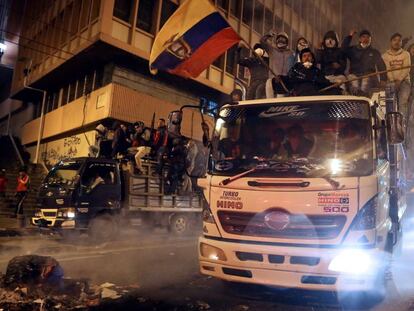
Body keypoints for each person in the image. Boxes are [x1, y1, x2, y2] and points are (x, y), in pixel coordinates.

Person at [342, 29, 387, 95]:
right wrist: (349, 36)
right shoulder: (353, 50)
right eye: (363, 37)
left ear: (370, 39)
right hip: (354, 75)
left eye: (368, 37)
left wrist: (383, 80)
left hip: (369, 75)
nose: (366, 39)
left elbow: (382, 66)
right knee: (353, 81)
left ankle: (362, 97)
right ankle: (356, 97)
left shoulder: (374, 52)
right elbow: (343, 49)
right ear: (360, 39)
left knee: (365, 82)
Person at [382, 33, 412, 118]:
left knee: (403, 103)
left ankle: (402, 124)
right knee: (390, 103)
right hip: (391, 82)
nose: (397, 42)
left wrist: (399, 80)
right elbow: (387, 69)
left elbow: (407, 68)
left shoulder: (406, 54)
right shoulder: (384, 56)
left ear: (402, 42)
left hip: (404, 82)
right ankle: (392, 124)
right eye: (395, 40)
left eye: (399, 40)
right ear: (390, 42)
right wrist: (393, 80)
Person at [260, 31, 292, 98]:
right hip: (272, 79)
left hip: (284, 82)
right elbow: (262, 41)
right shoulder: (272, 50)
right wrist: (268, 35)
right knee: (270, 99)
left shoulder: (290, 54)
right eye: (279, 39)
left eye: (283, 39)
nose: (280, 41)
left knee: (281, 98)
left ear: (286, 42)